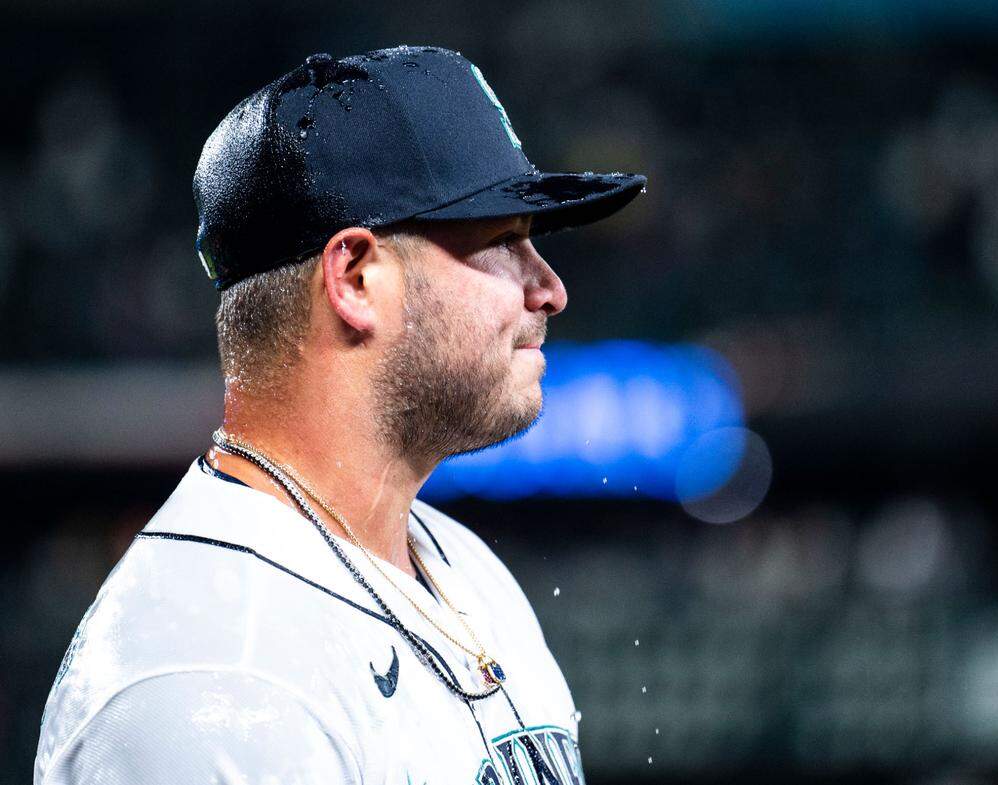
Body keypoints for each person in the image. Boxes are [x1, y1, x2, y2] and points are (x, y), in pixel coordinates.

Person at [35, 46, 644, 784]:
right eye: (504, 241)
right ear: (354, 279)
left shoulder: (466, 571)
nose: (549, 290)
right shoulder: (211, 678)